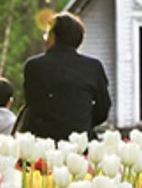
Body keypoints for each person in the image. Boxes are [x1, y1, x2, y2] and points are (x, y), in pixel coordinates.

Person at [19, 11, 111, 141]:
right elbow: (103, 109)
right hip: (80, 141)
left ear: (53, 37)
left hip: (44, 143)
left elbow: (33, 103)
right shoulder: (93, 67)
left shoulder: (34, 66)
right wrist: (82, 121)